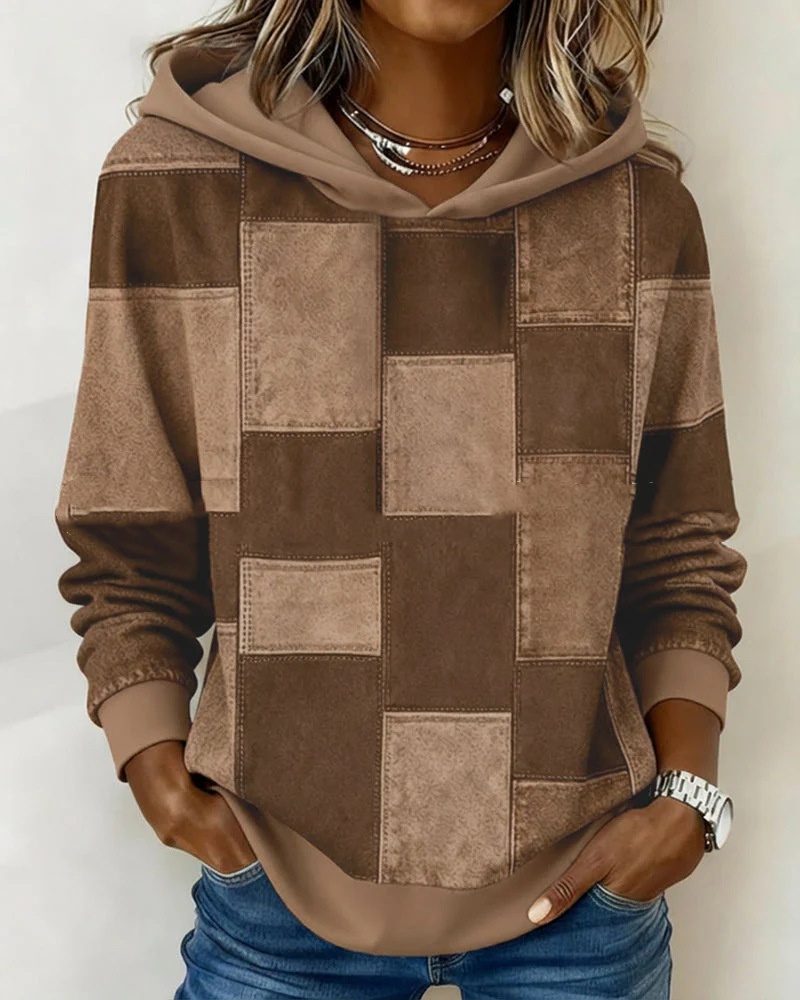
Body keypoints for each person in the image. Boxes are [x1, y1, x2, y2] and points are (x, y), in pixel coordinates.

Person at [54, 2, 747, 998]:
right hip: (277, 903)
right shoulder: (177, 183)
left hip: (583, 907)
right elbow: (128, 532)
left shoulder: (637, 208)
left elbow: (676, 544)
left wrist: (686, 799)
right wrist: (155, 767)